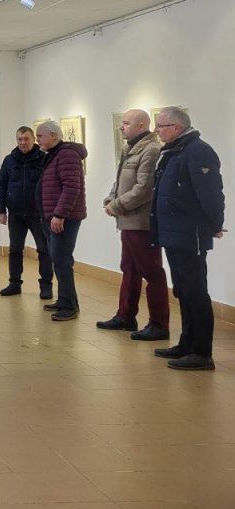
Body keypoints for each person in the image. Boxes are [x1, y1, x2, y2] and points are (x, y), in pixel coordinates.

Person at [150, 107, 225, 371]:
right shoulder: (174, 151)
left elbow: (212, 194)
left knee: (195, 291)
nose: (157, 131)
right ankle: (187, 343)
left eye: (161, 126)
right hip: (174, 233)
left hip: (189, 234)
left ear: (177, 128)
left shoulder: (198, 151)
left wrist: (214, 224)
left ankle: (202, 352)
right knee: (182, 290)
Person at [97, 110, 170, 340]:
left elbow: (144, 188)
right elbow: (120, 180)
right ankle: (125, 316)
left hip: (141, 222)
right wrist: (111, 199)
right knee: (129, 268)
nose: (122, 127)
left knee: (152, 271)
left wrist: (117, 205)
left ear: (141, 125)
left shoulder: (151, 150)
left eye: (126, 123)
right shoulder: (130, 148)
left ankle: (159, 324)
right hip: (127, 221)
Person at [35, 120, 88, 322]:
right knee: (59, 259)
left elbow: (71, 187)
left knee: (61, 259)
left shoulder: (67, 155)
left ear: (54, 136)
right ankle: (66, 300)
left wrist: (60, 215)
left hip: (64, 218)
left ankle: (68, 306)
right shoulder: (54, 154)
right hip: (51, 216)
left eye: (40, 136)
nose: (38, 140)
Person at [0, 127, 53, 299]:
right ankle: (14, 283)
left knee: (44, 250)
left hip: (38, 214)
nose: (23, 142)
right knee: (15, 249)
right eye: (19, 139)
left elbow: (51, 185)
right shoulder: (9, 160)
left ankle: (46, 286)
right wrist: (0, 210)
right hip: (16, 213)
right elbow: (1, 184)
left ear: (33, 139)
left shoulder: (43, 158)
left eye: (26, 139)